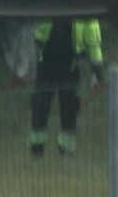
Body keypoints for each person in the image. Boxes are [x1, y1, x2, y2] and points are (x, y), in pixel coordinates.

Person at [28, 18, 103, 156]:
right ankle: (37, 147)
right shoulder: (50, 3)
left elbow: (93, 44)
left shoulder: (86, 14)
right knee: (40, 105)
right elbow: (36, 26)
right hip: (46, 64)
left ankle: (67, 148)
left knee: (69, 108)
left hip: (70, 66)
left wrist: (97, 72)